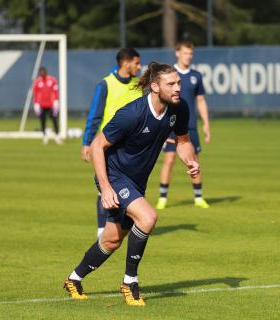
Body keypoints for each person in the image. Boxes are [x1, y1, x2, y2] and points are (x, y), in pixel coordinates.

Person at [63, 62, 200, 306]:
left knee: (112, 240)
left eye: (178, 82)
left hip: (136, 181)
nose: (178, 88)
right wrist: (105, 187)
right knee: (147, 218)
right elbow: (97, 146)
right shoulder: (132, 113)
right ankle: (130, 282)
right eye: (172, 84)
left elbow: (183, 140)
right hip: (114, 175)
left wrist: (189, 159)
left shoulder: (179, 109)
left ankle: (74, 279)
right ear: (155, 87)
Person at [81, 48, 143, 237]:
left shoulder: (137, 85)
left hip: (131, 148)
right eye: (136, 63)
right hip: (108, 146)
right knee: (104, 185)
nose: (139, 67)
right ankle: (102, 230)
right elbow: (95, 115)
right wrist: (87, 143)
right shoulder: (105, 84)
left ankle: (125, 225)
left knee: (132, 185)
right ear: (126, 63)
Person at [156, 41, 211, 210]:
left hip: (191, 126)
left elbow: (200, 100)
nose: (188, 56)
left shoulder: (196, 76)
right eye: (185, 53)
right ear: (177, 53)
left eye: (191, 53)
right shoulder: (169, 75)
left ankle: (198, 197)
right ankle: (162, 198)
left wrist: (206, 124)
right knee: (170, 159)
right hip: (171, 126)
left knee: (194, 159)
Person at [33, 66, 61, 144]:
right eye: (41, 72)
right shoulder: (37, 82)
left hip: (51, 105)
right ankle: (45, 136)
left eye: (43, 72)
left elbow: (55, 92)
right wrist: (36, 104)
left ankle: (57, 136)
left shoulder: (52, 80)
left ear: (46, 72)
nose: (42, 73)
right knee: (43, 121)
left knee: (54, 120)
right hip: (42, 105)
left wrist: (56, 102)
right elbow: (35, 94)